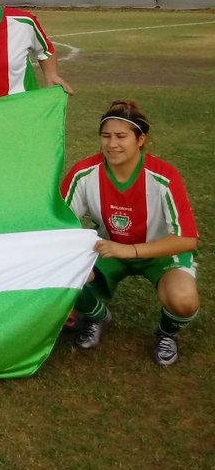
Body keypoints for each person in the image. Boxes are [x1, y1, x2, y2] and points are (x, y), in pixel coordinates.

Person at [63, 100, 200, 366]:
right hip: (109, 249)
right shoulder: (84, 173)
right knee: (63, 273)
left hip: (160, 252)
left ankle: (167, 333)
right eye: (106, 136)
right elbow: (60, 224)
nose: (112, 144)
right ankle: (98, 316)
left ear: (140, 139)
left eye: (121, 136)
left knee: (183, 299)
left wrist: (131, 250)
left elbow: (187, 239)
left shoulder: (163, 176)